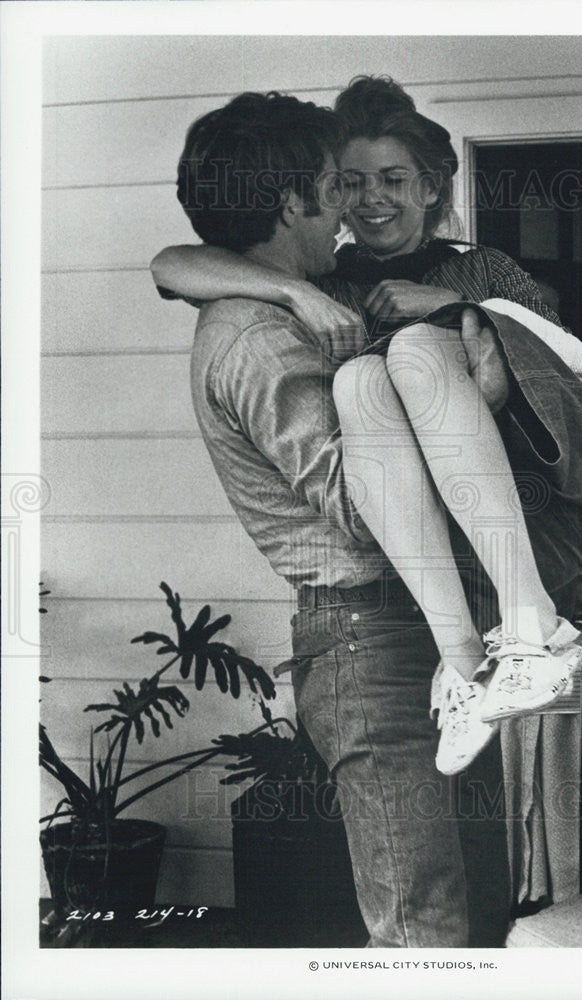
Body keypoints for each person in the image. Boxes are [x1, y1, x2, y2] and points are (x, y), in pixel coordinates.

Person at [154, 77, 582, 778]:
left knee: (571, 765)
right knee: (359, 380)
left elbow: (568, 370)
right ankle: (470, 665)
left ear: (431, 186)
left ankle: (540, 641)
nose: (371, 197)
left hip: (537, 522)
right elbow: (168, 264)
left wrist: (452, 306)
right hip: (437, 551)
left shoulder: (484, 267)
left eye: (392, 178)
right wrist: (289, 289)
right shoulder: (329, 283)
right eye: (350, 181)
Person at [172, 88, 514, 948]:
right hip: (371, 641)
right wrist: (461, 413)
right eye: (334, 187)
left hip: (409, 631)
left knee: (468, 901)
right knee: (418, 917)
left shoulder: (292, 302)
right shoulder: (259, 336)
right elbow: (364, 510)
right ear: (290, 201)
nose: (350, 211)